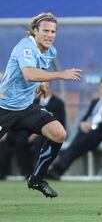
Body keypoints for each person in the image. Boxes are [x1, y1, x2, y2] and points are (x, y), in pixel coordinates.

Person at [0, 13, 82, 197]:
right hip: (4, 106)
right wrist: (61, 74)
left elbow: (33, 75)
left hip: (27, 107)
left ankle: (36, 179)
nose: (50, 35)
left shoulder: (50, 51)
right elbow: (29, 73)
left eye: (53, 31)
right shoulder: (25, 46)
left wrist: (40, 84)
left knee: (59, 133)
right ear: (35, 31)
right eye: (45, 30)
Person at [47, 78, 102, 179]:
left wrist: (93, 126)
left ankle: (57, 170)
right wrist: (83, 124)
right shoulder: (95, 101)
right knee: (71, 147)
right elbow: (87, 116)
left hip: (101, 132)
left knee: (76, 147)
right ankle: (55, 170)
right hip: (86, 130)